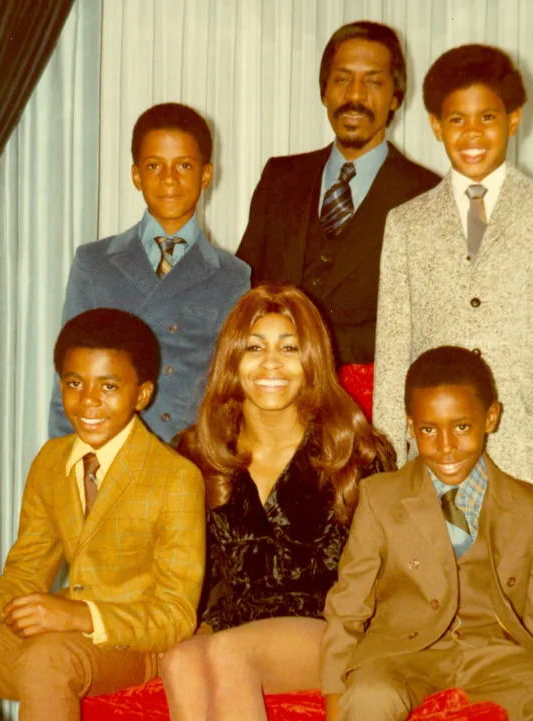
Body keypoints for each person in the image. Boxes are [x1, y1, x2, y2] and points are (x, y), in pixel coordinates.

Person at [0, 308, 206, 720]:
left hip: (138, 648)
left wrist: (78, 616)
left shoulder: (176, 478)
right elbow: (24, 577)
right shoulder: (50, 461)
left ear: (142, 394)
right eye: (74, 383)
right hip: (61, 644)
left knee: (46, 656)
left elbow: (175, 616)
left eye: (109, 386)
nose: (88, 402)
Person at [373, 44, 533, 517]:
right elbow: (393, 347)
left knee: (524, 585)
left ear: (514, 119)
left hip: (531, 456)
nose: (472, 134)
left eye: (488, 118)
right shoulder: (406, 223)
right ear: (436, 126)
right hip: (435, 457)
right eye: (457, 120)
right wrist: (390, 458)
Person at [321, 346, 533, 721]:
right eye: (428, 429)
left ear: (491, 417)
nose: (446, 446)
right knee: (370, 696)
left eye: (462, 426)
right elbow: (348, 605)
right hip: (402, 653)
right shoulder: (380, 498)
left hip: (496, 654)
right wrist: (336, 693)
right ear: (410, 424)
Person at [160, 284, 395, 721]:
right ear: (233, 360)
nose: (271, 363)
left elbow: (386, 574)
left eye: (289, 348)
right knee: (178, 659)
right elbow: (188, 571)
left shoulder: (357, 453)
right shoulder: (196, 453)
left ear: (312, 362)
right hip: (230, 625)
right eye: (254, 347)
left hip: (328, 629)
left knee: (230, 651)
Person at [236, 21, 439, 366]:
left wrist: (310, 345)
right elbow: (244, 287)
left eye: (373, 81)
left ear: (395, 98)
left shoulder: (428, 195)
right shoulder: (279, 177)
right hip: (273, 391)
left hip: (366, 401)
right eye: (342, 79)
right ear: (324, 91)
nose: (355, 96)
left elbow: (421, 323)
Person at [49, 102, 250, 444]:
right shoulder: (94, 263)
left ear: (206, 174)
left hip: (193, 461)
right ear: (136, 175)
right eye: (154, 166)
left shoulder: (233, 276)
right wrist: (63, 462)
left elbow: (233, 393)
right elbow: (68, 376)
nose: (169, 179)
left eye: (183, 166)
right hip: (111, 455)